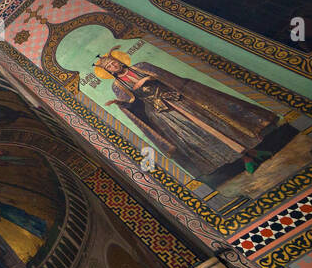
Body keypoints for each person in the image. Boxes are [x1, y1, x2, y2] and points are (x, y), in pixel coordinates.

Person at [97, 49, 280, 180]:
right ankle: (247, 158)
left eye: (114, 62)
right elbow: (131, 101)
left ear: (120, 61)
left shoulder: (141, 66)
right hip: (163, 113)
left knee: (215, 123)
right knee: (200, 136)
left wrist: (148, 78)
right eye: (110, 66)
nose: (114, 65)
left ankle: (254, 151)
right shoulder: (117, 86)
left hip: (178, 99)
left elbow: (162, 76)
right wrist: (120, 103)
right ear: (109, 72)